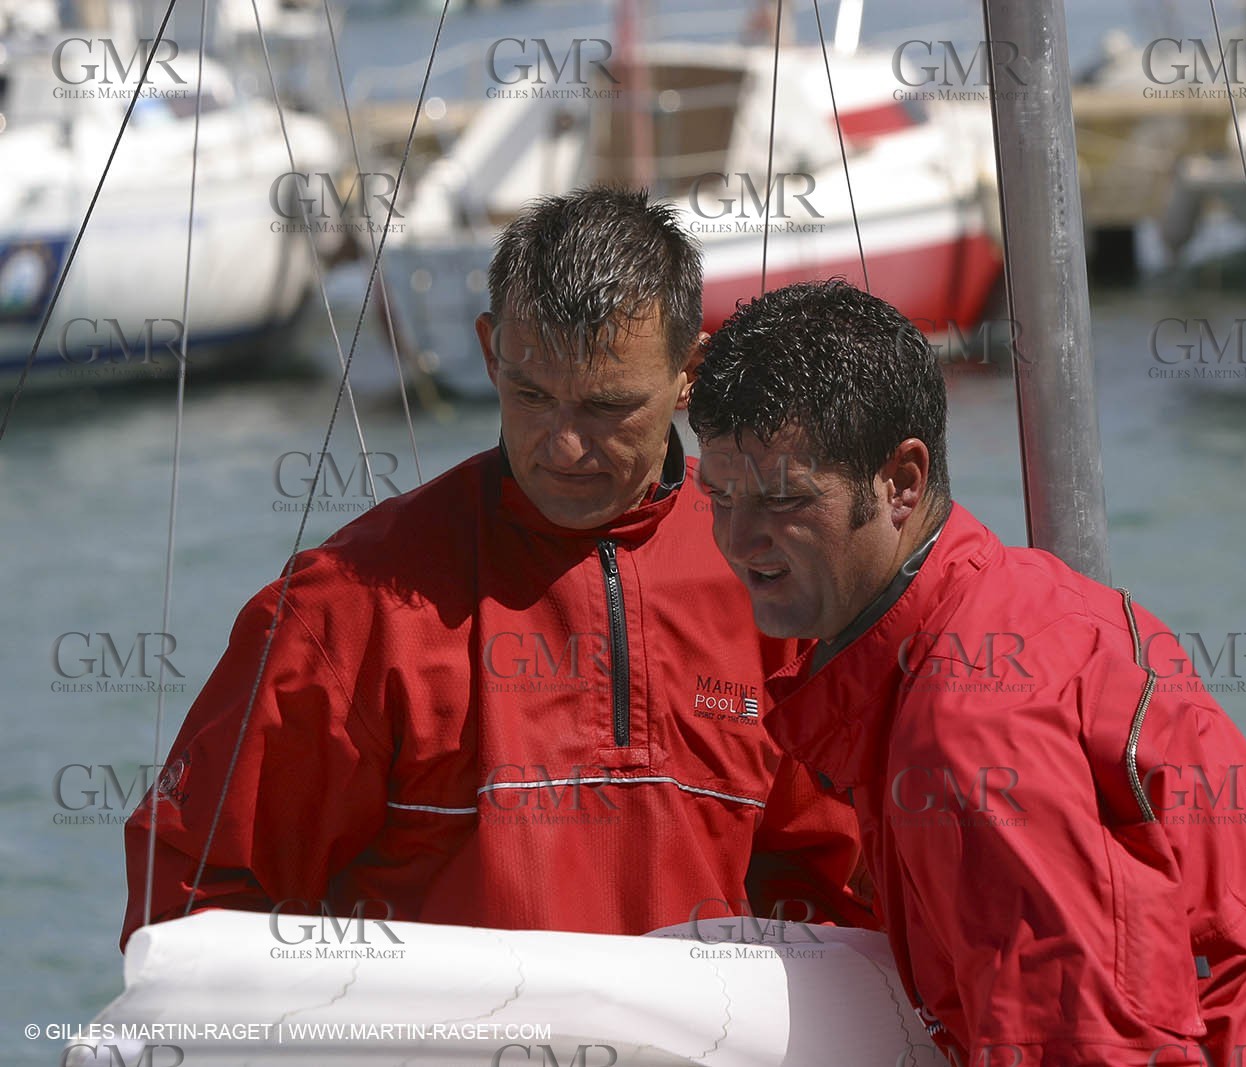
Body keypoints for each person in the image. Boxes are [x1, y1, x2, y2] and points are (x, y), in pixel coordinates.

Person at [687, 279, 1246, 1067]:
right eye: (719, 495)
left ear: (902, 482)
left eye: (782, 498)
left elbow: (1083, 1046)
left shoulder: (970, 726)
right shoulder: (1026, 603)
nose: (740, 538)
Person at [121, 188, 872, 950]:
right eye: (531, 394)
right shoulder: (345, 609)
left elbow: (848, 892)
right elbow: (193, 906)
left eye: (608, 407)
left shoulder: (783, 582)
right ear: (489, 350)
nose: (564, 446)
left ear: (689, 373)